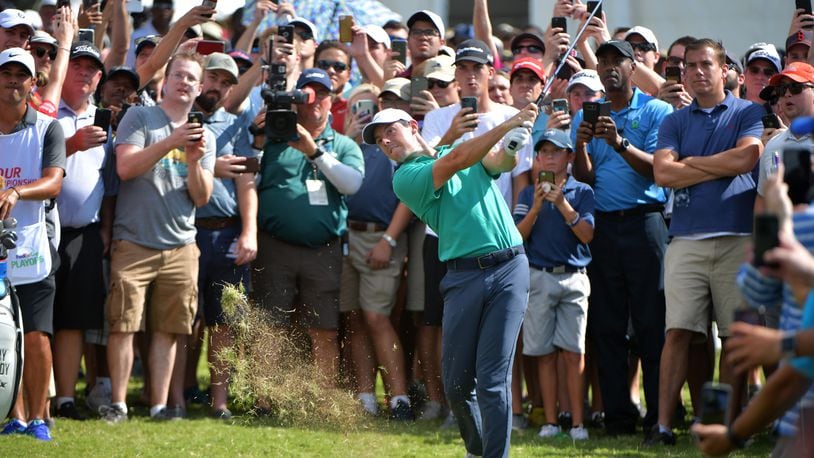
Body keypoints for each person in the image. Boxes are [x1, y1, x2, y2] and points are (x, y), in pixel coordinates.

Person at [362, 103, 537, 457]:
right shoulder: (405, 178)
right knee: (457, 385)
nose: (386, 143)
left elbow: (498, 164)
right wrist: (509, 125)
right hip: (462, 276)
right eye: (380, 141)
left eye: (390, 132)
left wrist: (514, 145)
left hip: (509, 269)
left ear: (413, 126)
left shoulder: (454, 151)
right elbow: (456, 161)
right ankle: (476, 449)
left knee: (491, 380)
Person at [652, 38, 764, 445]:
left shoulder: (749, 111)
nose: (698, 71)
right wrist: (717, 165)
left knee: (735, 337)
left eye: (706, 64)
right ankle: (663, 426)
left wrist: (689, 164)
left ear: (723, 69)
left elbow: (746, 159)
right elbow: (662, 174)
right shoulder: (674, 121)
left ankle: (722, 425)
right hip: (685, 239)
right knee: (678, 333)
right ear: (683, 74)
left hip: (737, 238)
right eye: (691, 66)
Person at [101, 52, 215, 423]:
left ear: (199, 89)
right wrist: (173, 141)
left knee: (169, 329)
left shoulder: (204, 135)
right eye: (178, 75)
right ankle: (118, 404)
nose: (184, 82)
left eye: (191, 79)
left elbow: (201, 197)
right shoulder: (140, 117)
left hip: (181, 245)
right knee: (123, 326)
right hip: (133, 241)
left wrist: (195, 158)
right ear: (164, 82)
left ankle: (159, 406)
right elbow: (126, 168)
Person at [572, 40, 672, 437]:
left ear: (634, 68)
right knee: (608, 326)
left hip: (645, 224)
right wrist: (580, 146)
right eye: (604, 61)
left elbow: (658, 172)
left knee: (651, 325)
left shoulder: (655, 110)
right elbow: (586, 176)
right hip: (605, 228)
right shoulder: (591, 111)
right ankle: (617, 418)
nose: (609, 67)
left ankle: (658, 418)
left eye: (618, 61)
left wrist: (619, 142)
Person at [251, 68, 364, 388]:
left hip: (323, 248)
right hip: (275, 245)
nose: (315, 101)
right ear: (296, 101)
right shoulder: (273, 139)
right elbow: (249, 181)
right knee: (271, 325)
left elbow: (352, 184)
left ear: (332, 101)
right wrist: (256, 138)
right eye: (307, 94)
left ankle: (324, 401)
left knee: (324, 328)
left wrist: (314, 150)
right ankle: (265, 399)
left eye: (322, 94)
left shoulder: (342, 144)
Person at [174, 52, 257, 420]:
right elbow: (161, 161)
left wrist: (250, 230)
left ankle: (218, 401)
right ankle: (176, 396)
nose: (219, 88)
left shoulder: (237, 124)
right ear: (199, 78)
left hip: (225, 231)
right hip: (184, 230)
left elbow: (246, 180)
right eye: (214, 80)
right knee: (182, 321)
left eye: (227, 83)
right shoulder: (177, 117)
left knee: (223, 324)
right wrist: (210, 166)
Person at [0, 48, 65, 441]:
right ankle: (14, 415)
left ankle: (39, 416)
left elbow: (54, 181)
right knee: (3, 337)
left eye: (19, 74)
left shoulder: (47, 128)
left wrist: (16, 192)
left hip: (32, 248)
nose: (11, 80)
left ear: (32, 83)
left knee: (37, 336)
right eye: (4, 73)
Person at [513, 129, 595, 441]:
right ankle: (550, 421)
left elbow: (587, 234)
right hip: (538, 276)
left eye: (556, 151)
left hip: (574, 277)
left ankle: (577, 424)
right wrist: (535, 206)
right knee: (544, 353)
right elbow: (518, 237)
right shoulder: (526, 194)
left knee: (574, 352)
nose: (548, 157)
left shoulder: (582, 192)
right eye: (543, 151)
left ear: (570, 157)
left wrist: (561, 203)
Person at [340, 83, 414, 420]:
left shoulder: (402, 147)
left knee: (377, 317)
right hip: (348, 235)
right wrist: (347, 137)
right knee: (355, 318)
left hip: (382, 237)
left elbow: (409, 198)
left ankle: (399, 398)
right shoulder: (355, 143)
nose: (386, 107)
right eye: (385, 100)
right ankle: (366, 396)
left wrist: (389, 240)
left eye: (399, 102)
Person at [52, 41, 110, 421]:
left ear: (99, 77)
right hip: (44, 230)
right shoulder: (46, 113)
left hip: (86, 233)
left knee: (73, 320)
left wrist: (105, 228)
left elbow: (112, 183)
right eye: (78, 66)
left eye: (92, 68)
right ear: (65, 69)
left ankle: (65, 399)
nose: (85, 73)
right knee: (40, 318)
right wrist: (72, 144)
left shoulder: (106, 120)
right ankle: (31, 397)